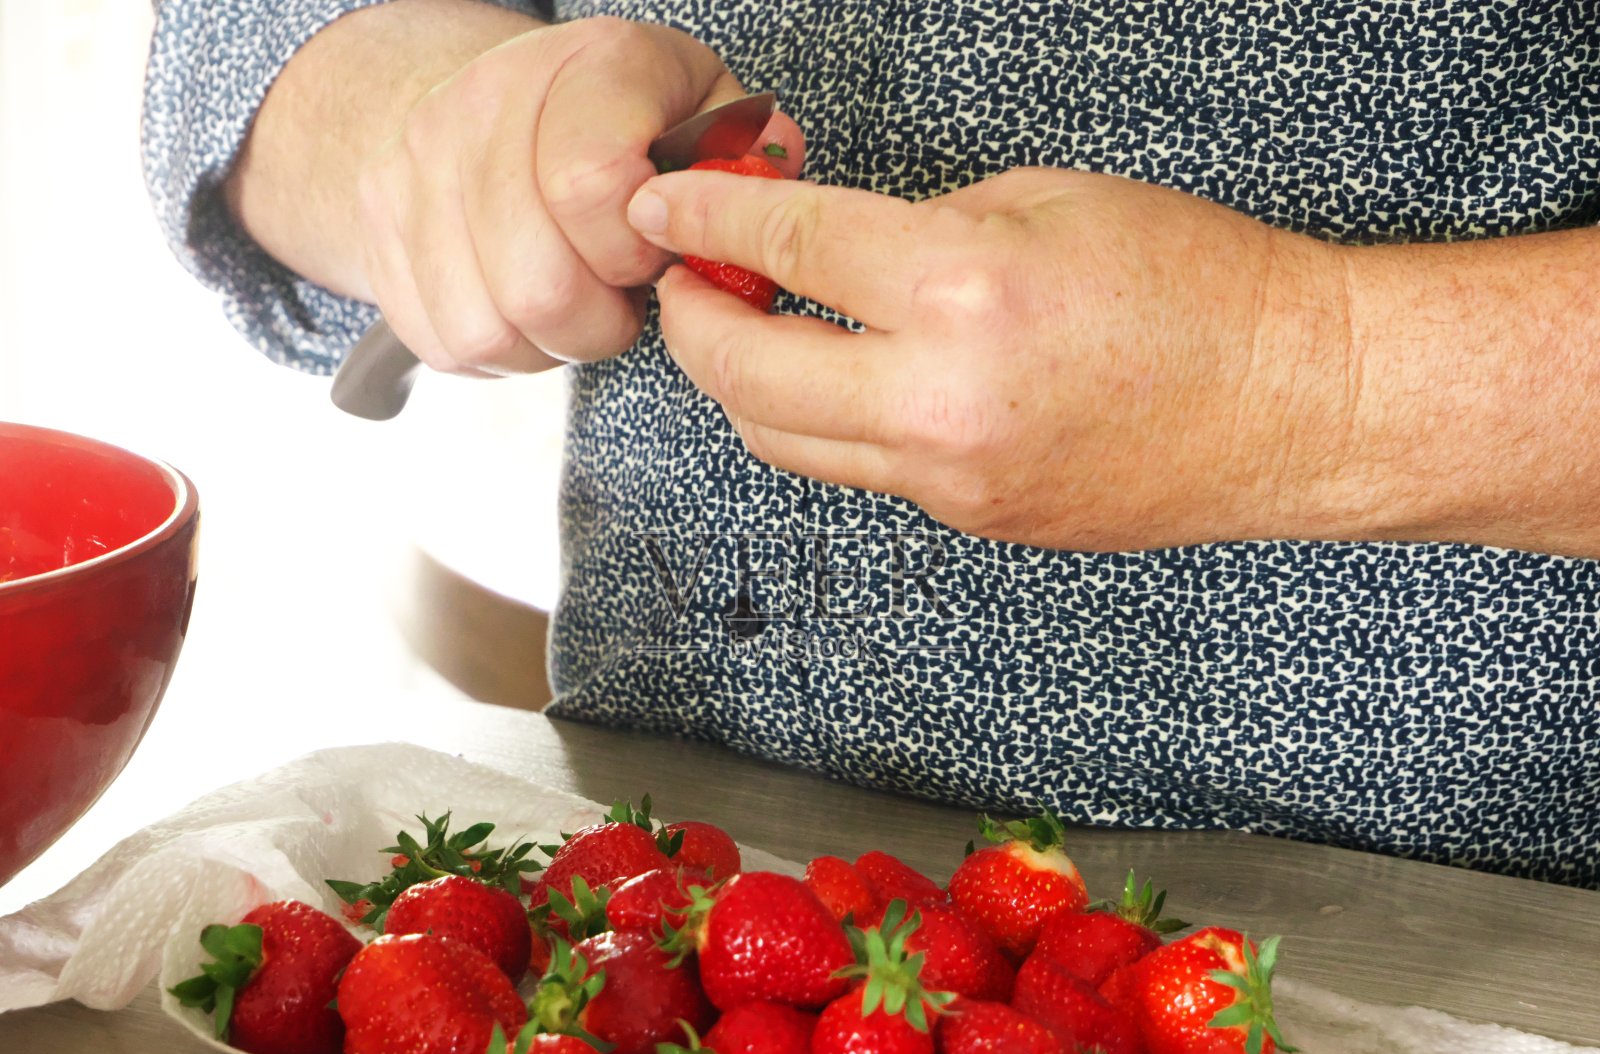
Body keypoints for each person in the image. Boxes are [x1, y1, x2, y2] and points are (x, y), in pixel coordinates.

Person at [142, 0, 1600, 888]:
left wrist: (1311, 377)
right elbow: (248, 31)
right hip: (681, 872)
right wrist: (415, 113)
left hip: (1495, 949)